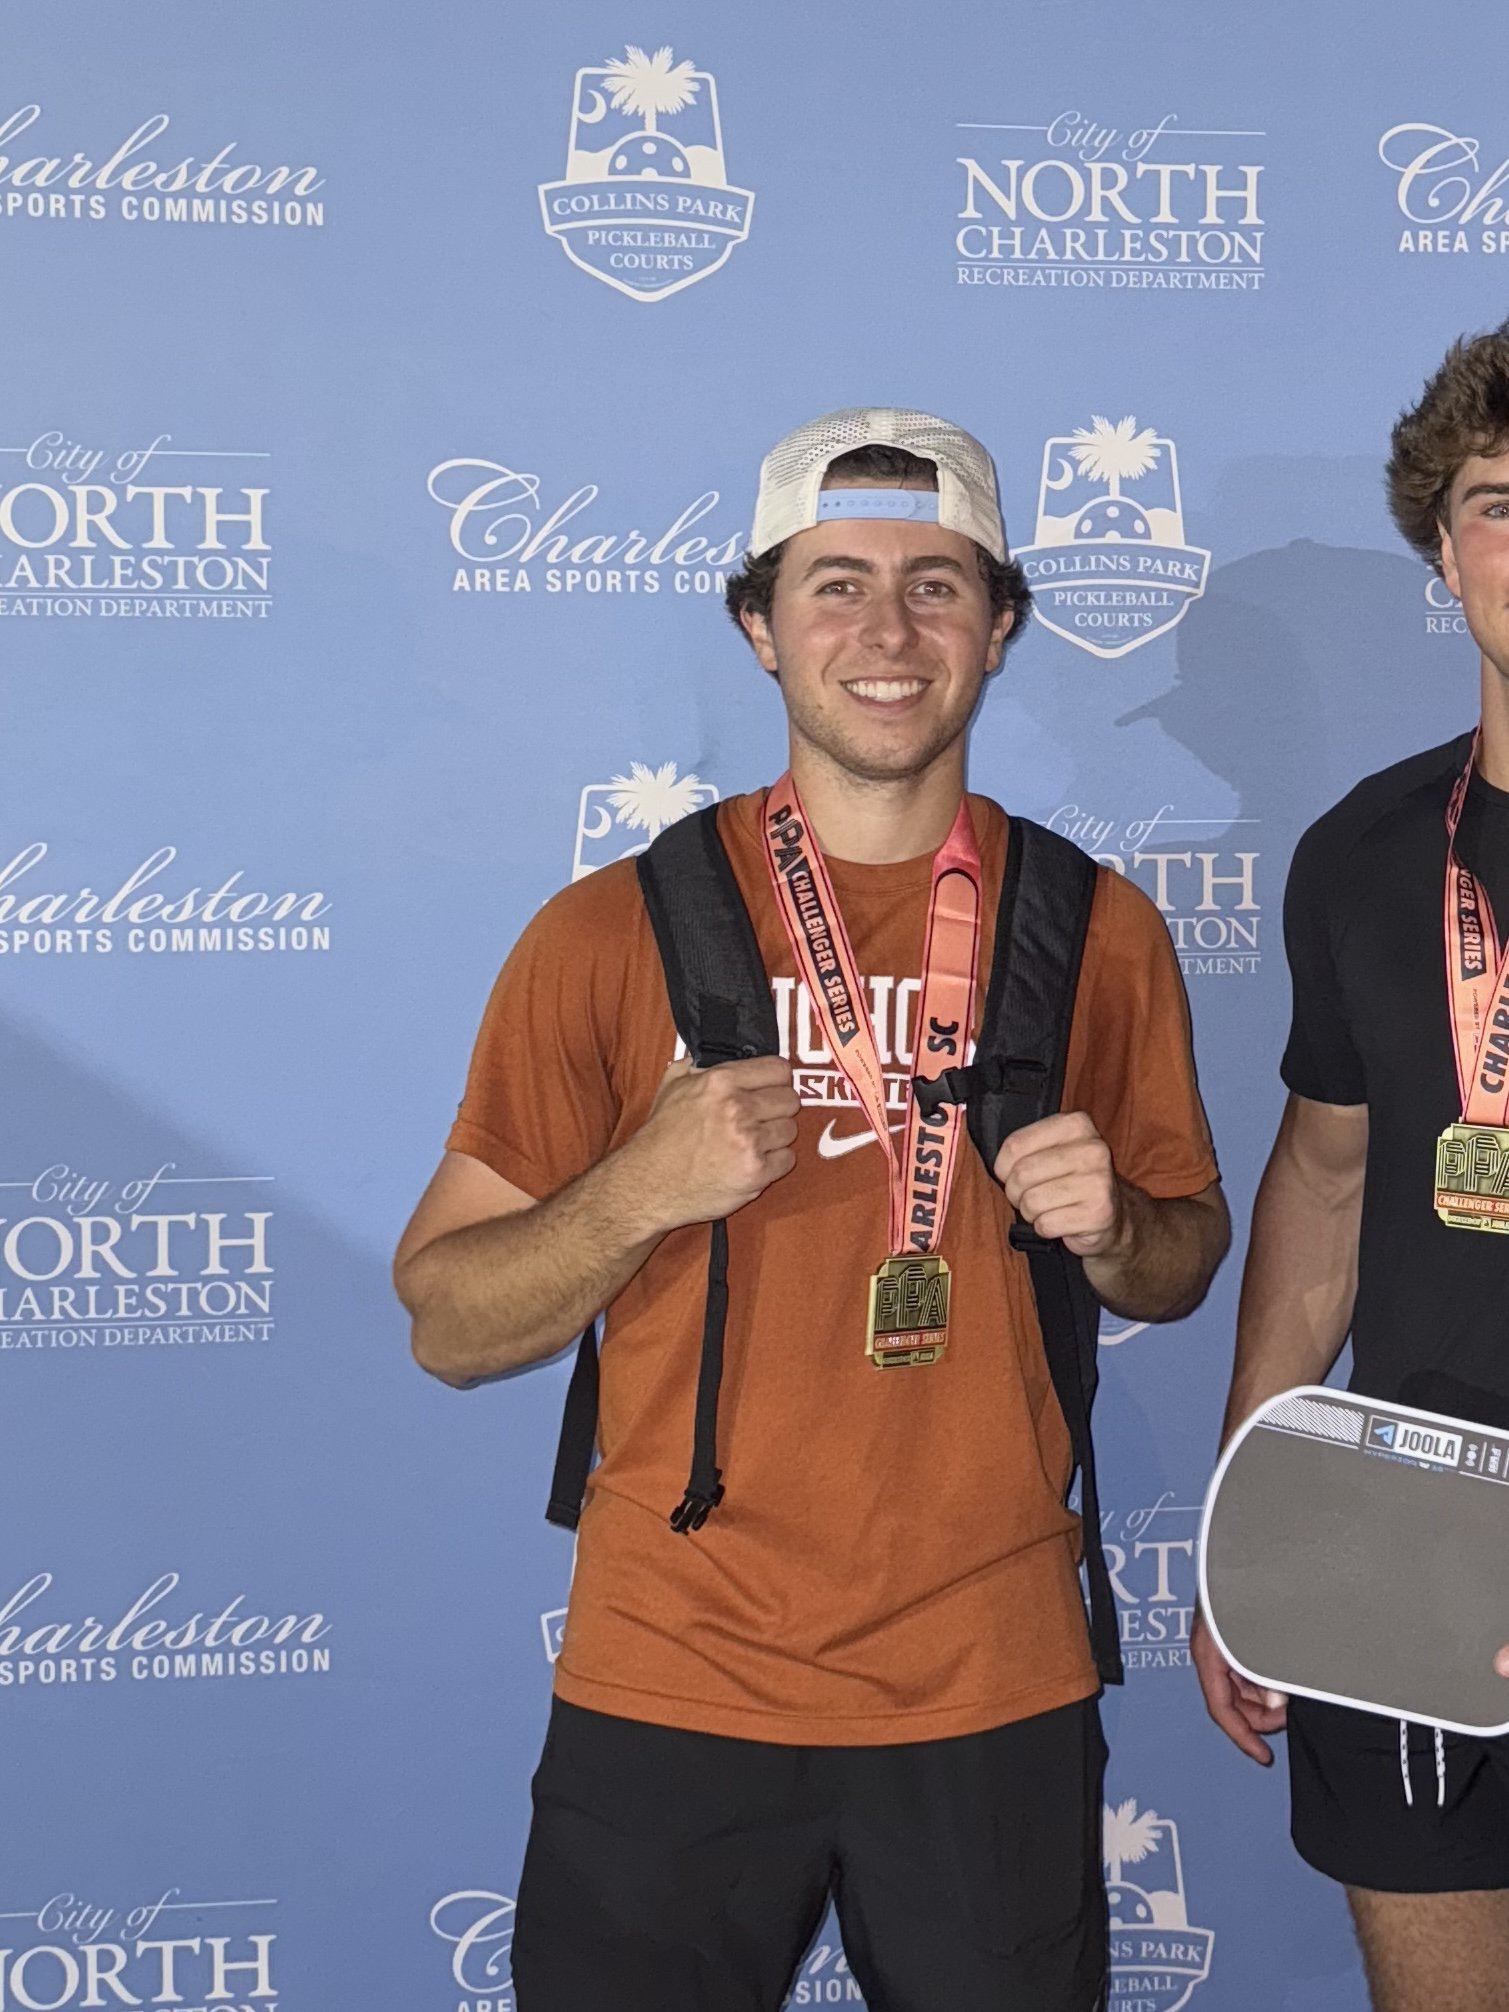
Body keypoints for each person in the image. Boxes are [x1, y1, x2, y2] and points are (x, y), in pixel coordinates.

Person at [395, 408, 1229, 2012]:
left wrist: (1123, 1233)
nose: (886, 632)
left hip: (990, 1681)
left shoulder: (1093, 928)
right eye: (833, 584)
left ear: (998, 626)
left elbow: (1186, 1260)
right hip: (672, 1678)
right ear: (757, 626)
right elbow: (446, 1323)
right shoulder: (607, 931)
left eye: (936, 585)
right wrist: (634, 1190)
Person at [1192, 322, 1509, 2012]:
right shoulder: (1366, 857)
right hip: (1410, 1549)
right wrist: (1262, 1533)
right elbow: (1319, 1187)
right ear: (1440, 548)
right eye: (1498, 503)